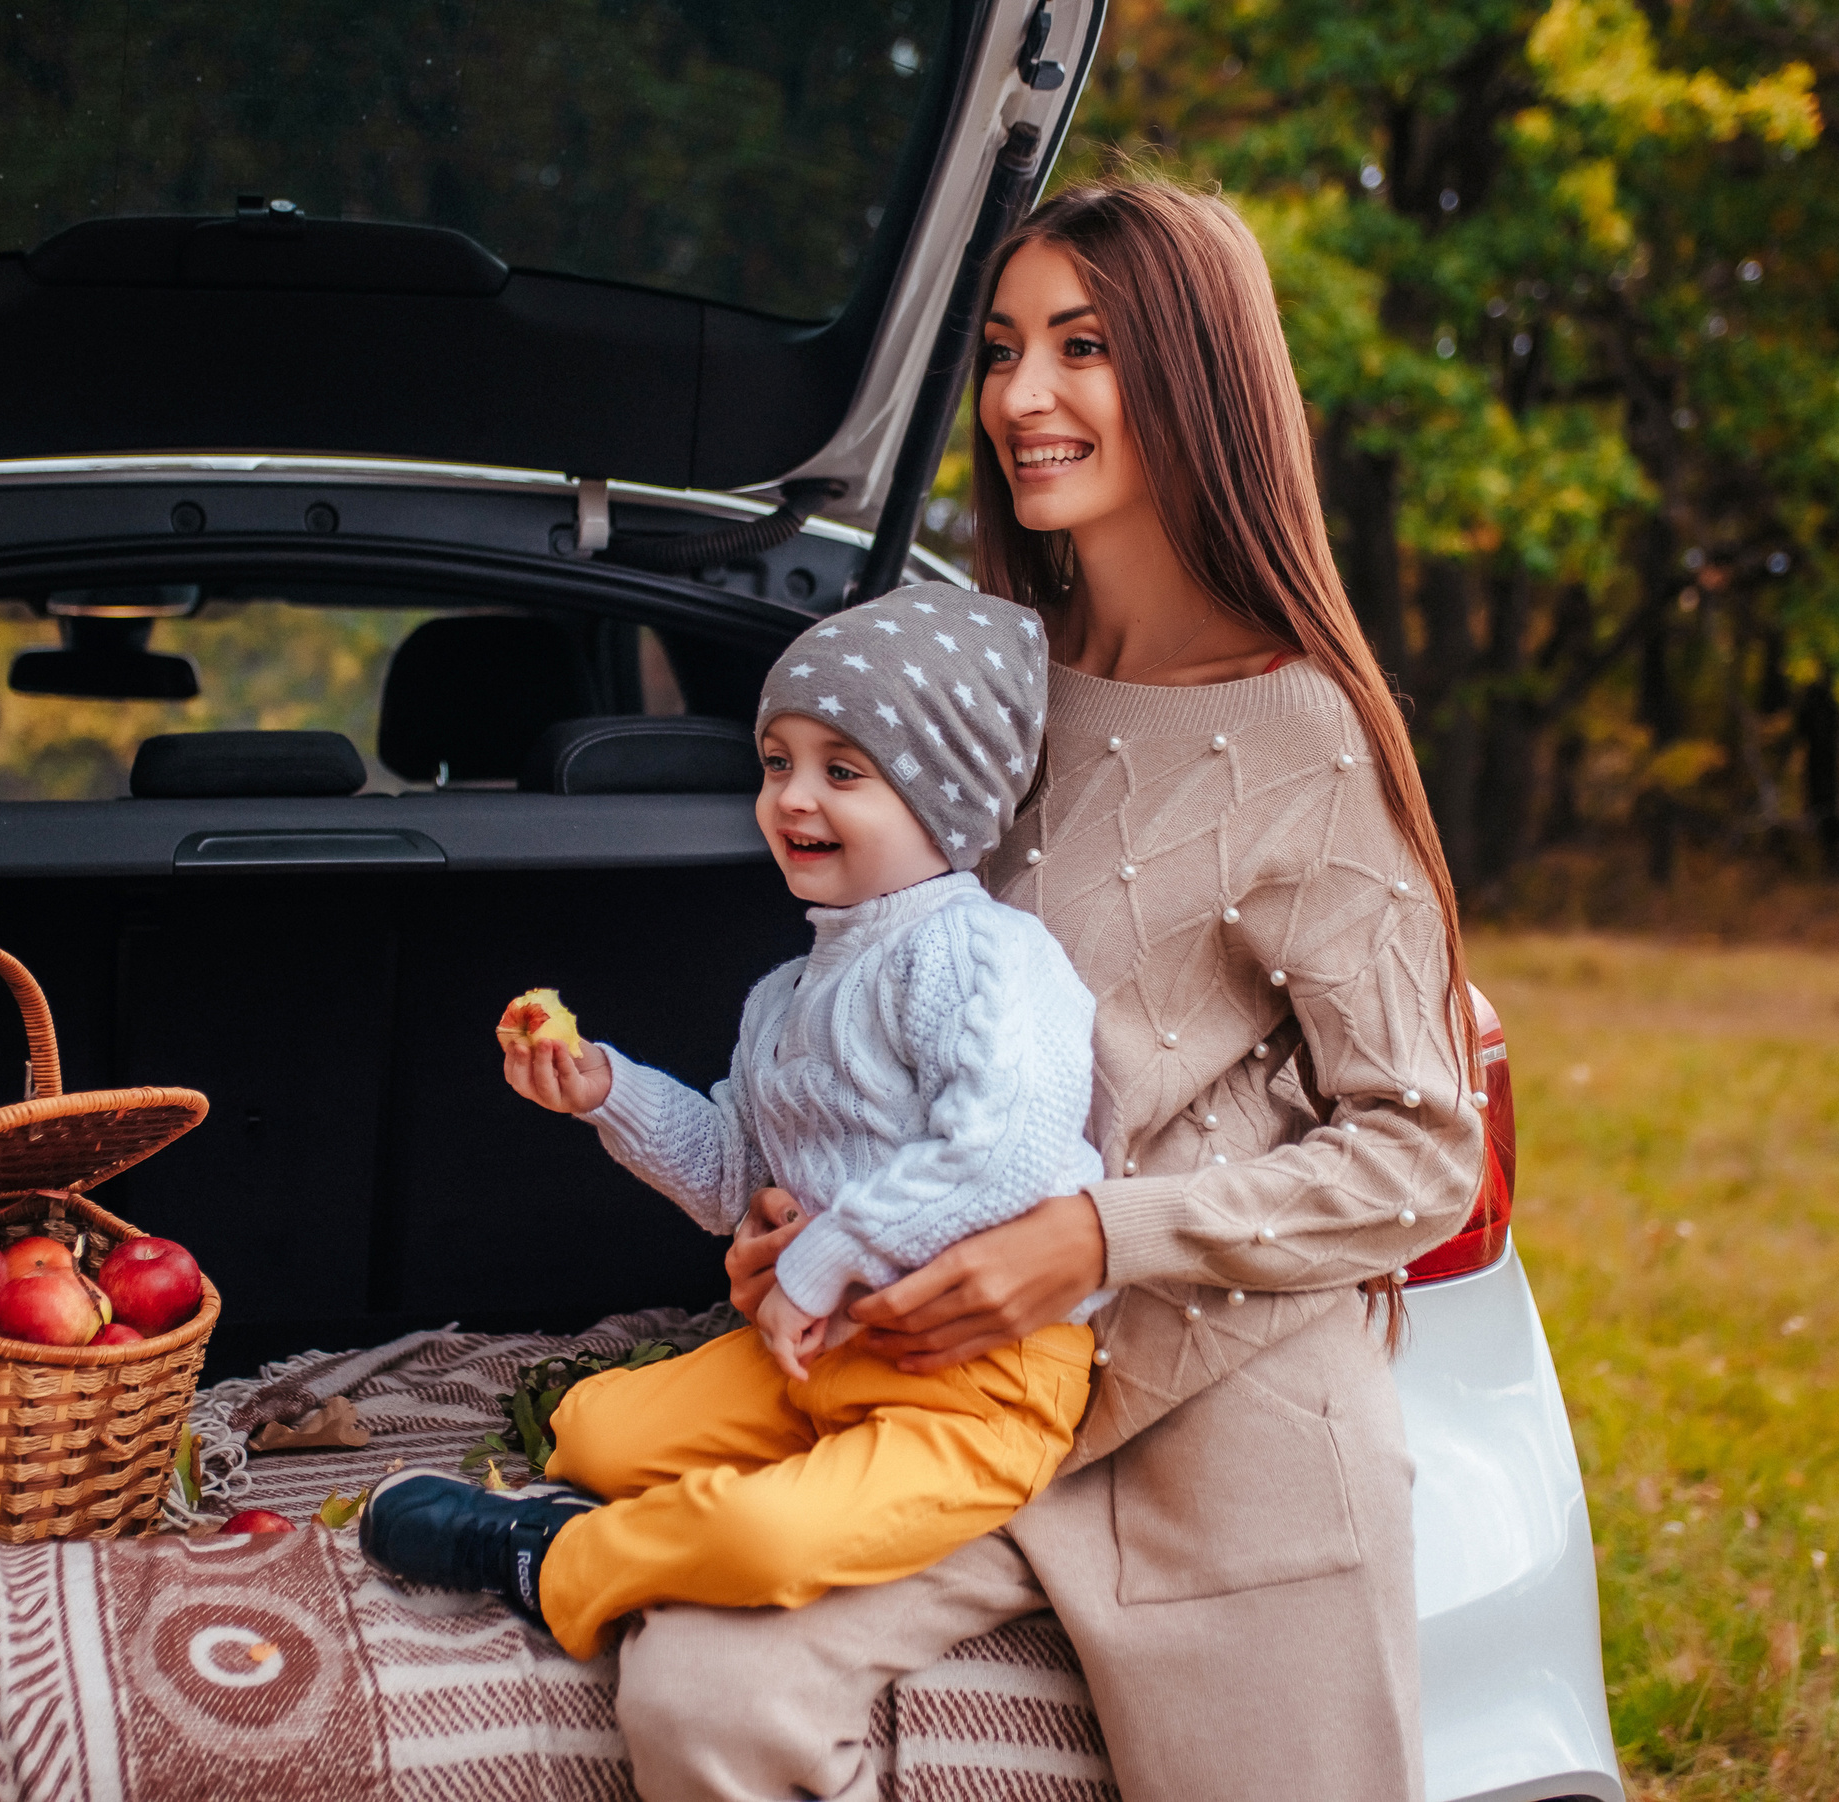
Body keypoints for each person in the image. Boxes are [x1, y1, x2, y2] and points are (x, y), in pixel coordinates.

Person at [608, 176, 1489, 1802]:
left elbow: (1424, 1149)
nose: (1021, 397)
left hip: (1221, 1405)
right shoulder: (975, 675)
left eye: (1083, 347)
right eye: (1004, 348)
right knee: (699, 1697)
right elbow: (882, 1023)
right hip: (943, 1393)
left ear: (1199, 376)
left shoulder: (1305, 735)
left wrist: (1094, 1234)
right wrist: (810, 1220)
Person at [360, 589, 1111, 1664]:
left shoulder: (983, 953)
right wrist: (607, 1088)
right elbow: (733, 1175)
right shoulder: (784, 994)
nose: (791, 796)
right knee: (592, 1429)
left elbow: (1003, 1152)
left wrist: (819, 1263)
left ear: (945, 798)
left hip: (976, 1380)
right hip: (814, 1354)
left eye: (842, 771)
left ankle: (545, 1554)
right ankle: (702, 1502)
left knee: (768, 1538)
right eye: (775, 762)